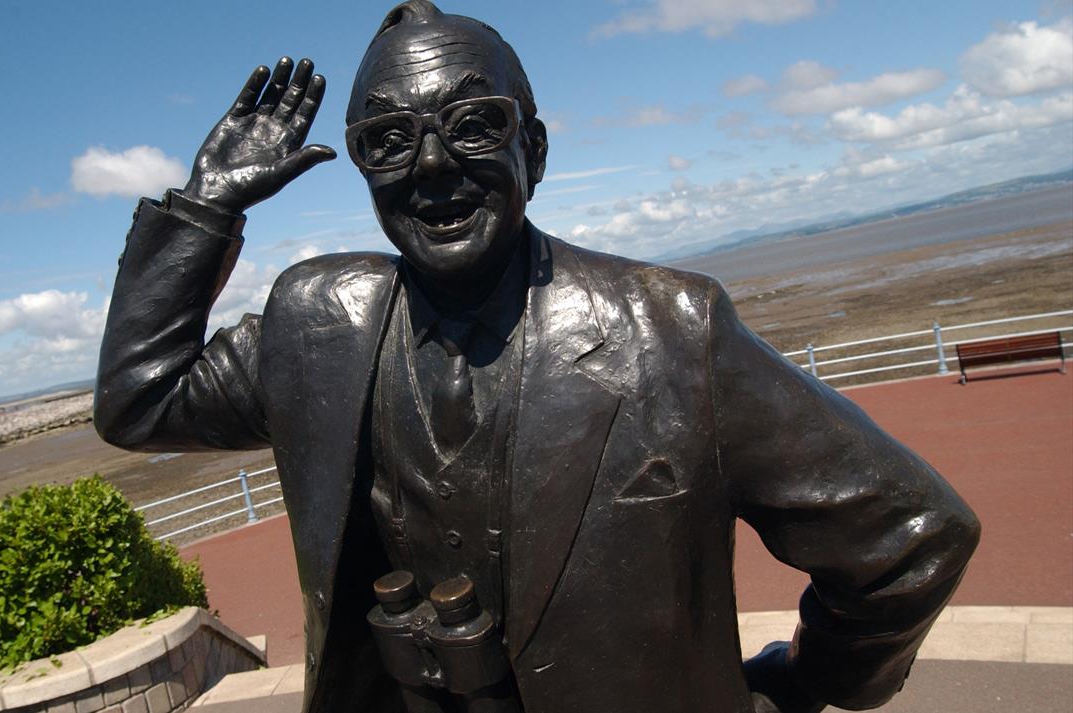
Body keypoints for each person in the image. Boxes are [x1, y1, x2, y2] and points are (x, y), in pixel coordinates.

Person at [95, 3, 980, 712]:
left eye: (474, 124)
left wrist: (811, 680)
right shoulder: (314, 322)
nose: (432, 165)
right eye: (388, 141)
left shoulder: (673, 330)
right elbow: (141, 402)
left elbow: (911, 536)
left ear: (537, 150)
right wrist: (205, 207)